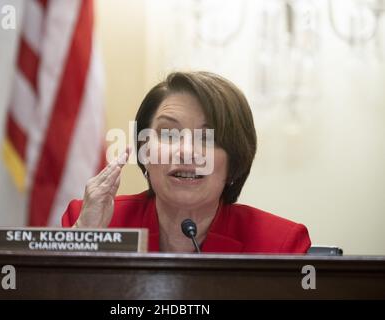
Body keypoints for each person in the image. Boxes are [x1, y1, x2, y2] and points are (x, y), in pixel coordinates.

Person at [62, 71, 311, 253]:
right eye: (168, 134)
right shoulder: (89, 220)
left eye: (206, 137)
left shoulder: (280, 244)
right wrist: (85, 237)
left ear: (235, 162)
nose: (186, 151)